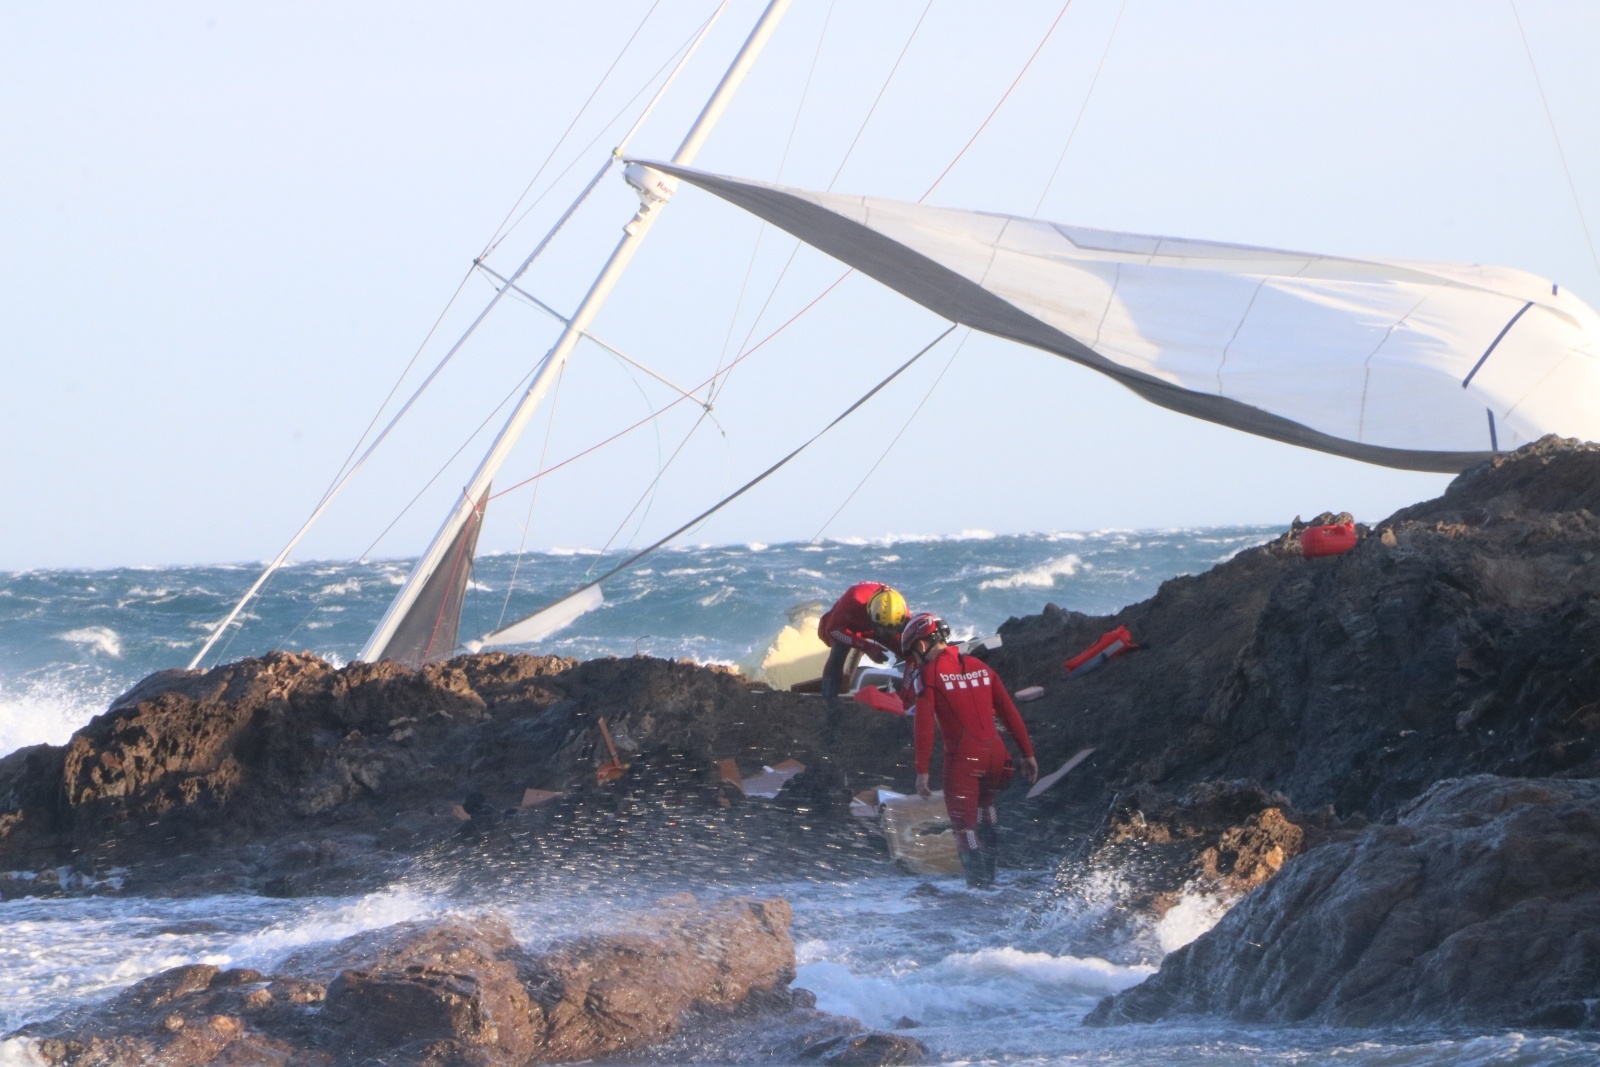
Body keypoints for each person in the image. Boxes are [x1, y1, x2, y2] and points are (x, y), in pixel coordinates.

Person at [904, 612, 1038, 887]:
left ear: (920, 646)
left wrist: (922, 771)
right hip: (998, 758)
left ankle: (978, 891)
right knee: (985, 808)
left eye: (913, 655)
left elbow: (924, 728)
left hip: (964, 761)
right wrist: (1027, 753)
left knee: (965, 830)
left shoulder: (928, 676)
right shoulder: (980, 666)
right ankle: (992, 880)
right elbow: (1009, 712)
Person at [816, 583, 909, 702]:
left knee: (909, 653)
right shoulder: (853, 600)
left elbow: (914, 655)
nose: (883, 633)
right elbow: (832, 630)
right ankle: (828, 700)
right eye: (881, 630)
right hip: (852, 622)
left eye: (887, 631)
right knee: (838, 652)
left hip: (881, 624)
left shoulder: (904, 615)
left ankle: (907, 697)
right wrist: (867, 647)